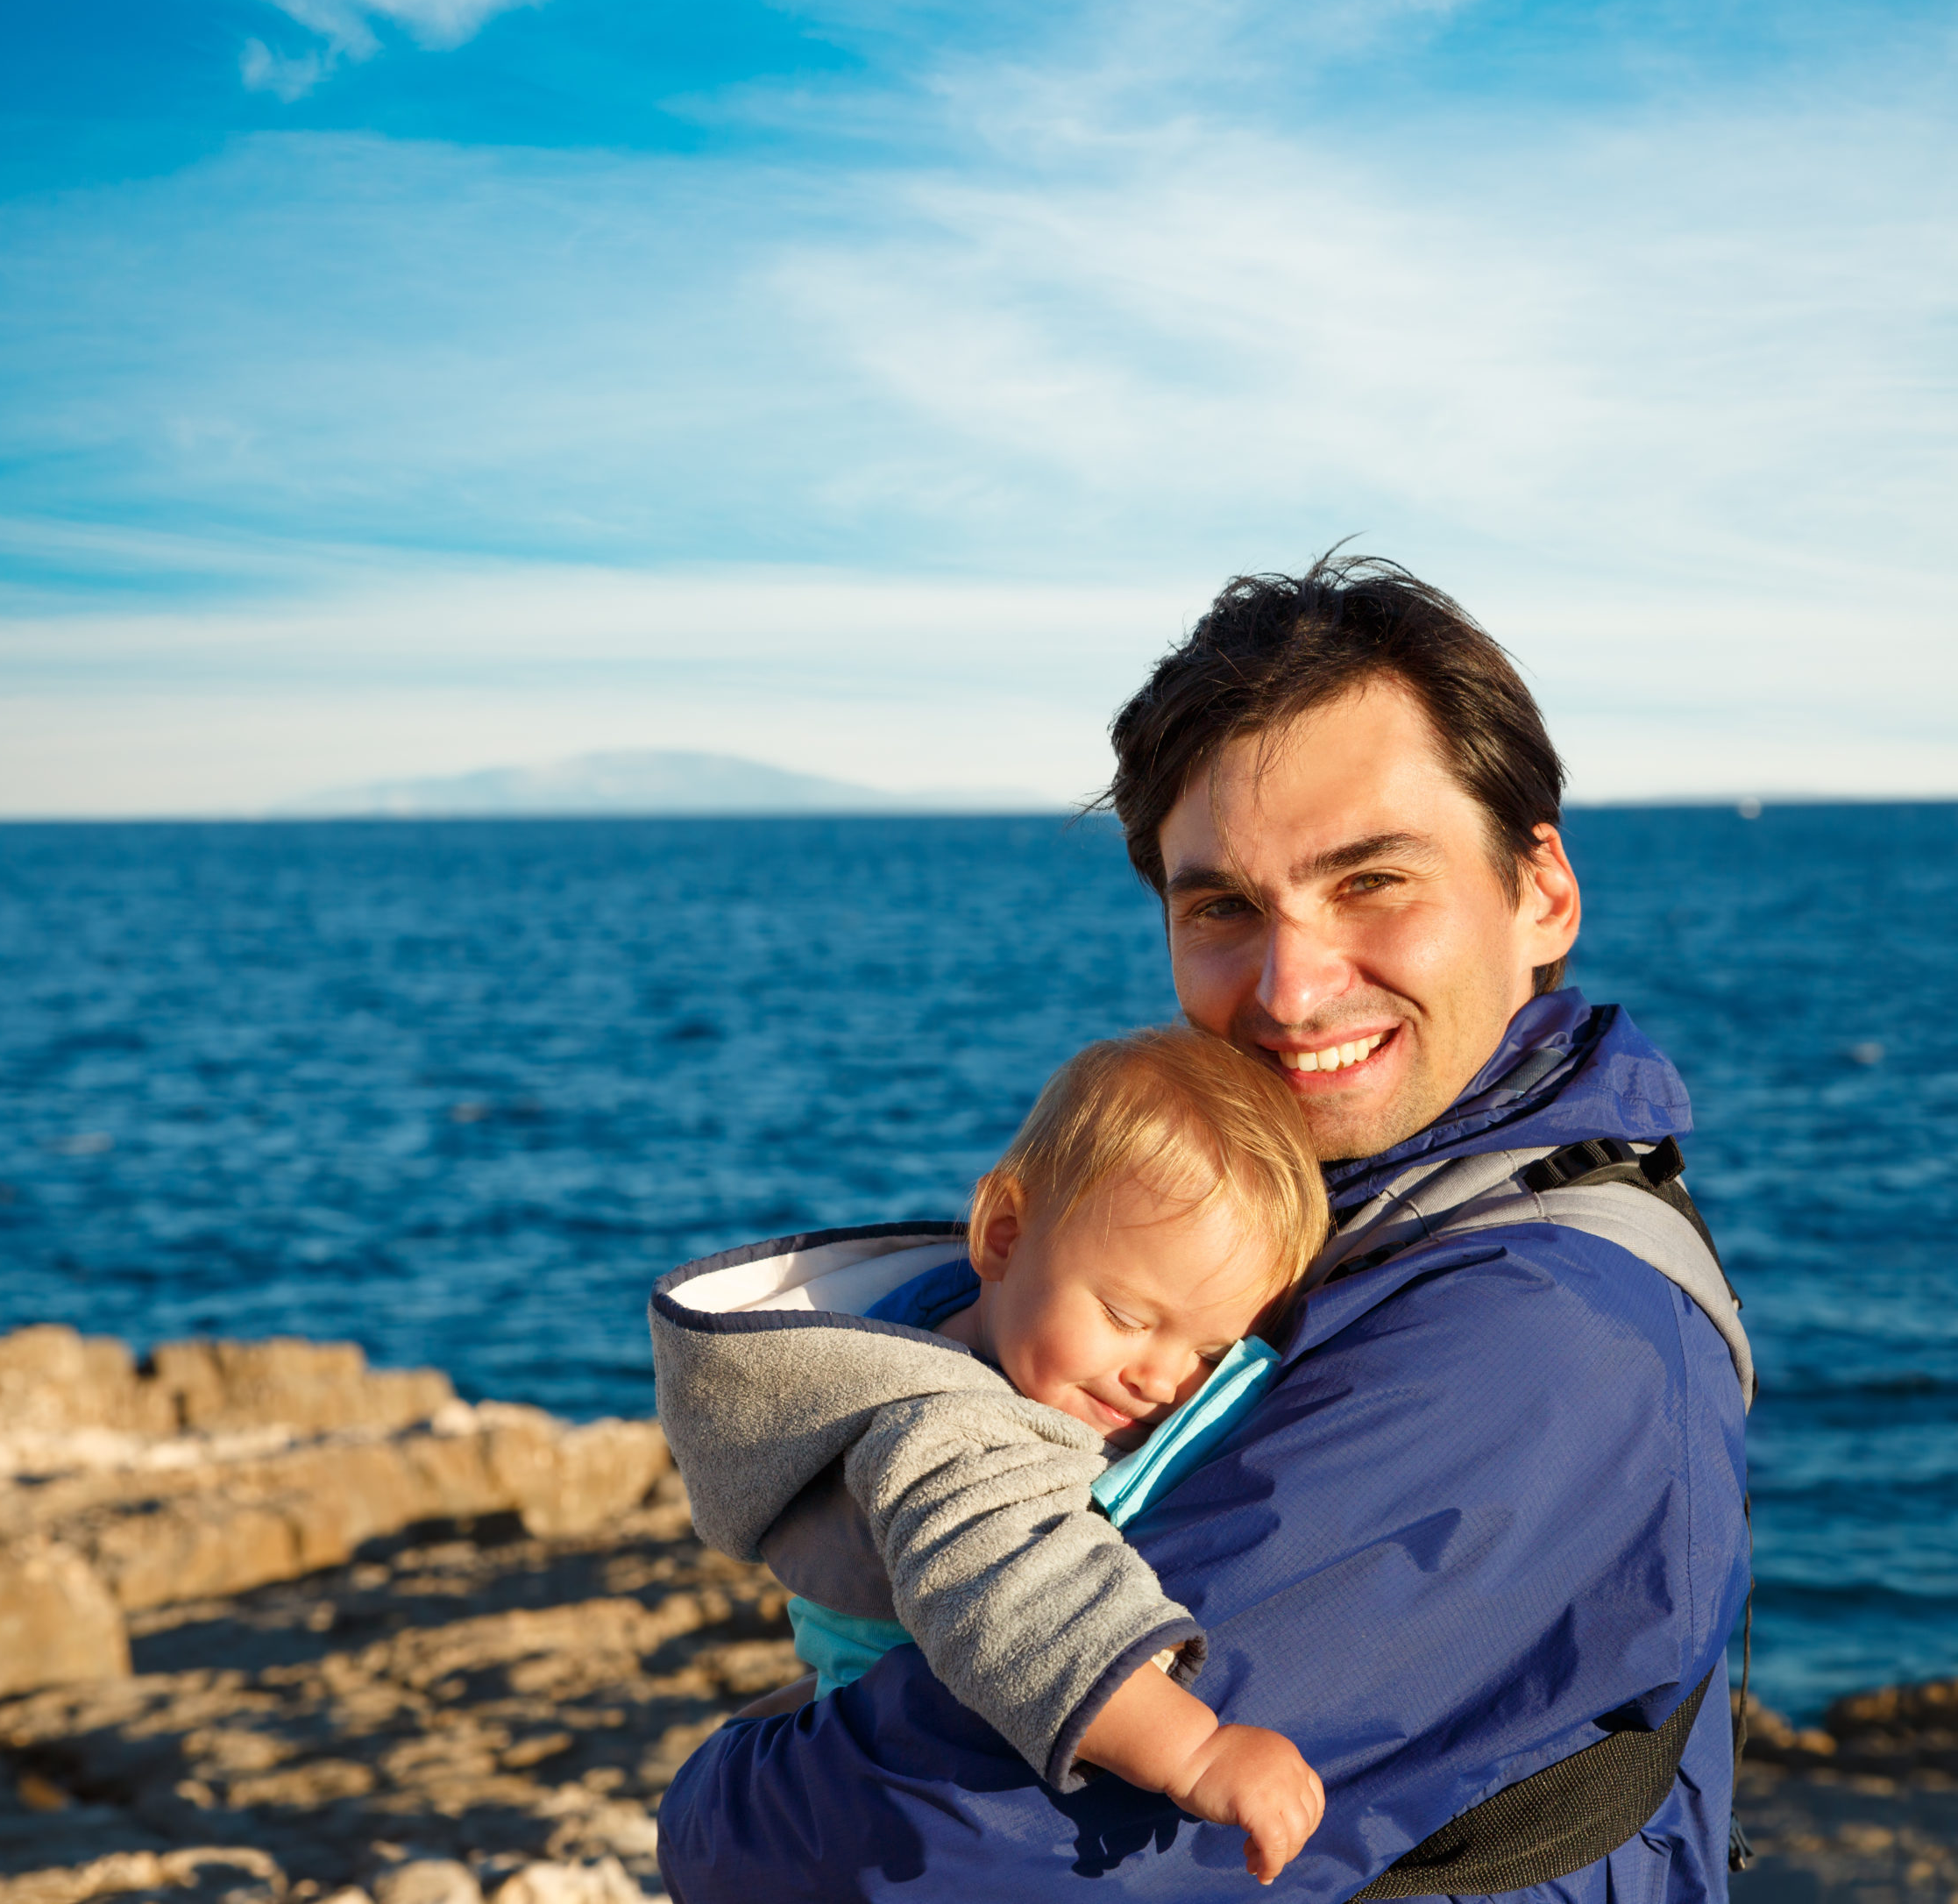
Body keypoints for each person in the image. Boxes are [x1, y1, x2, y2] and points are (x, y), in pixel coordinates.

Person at [656, 554, 1751, 1904]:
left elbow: (940, 1853)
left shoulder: (1543, 1340)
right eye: (1224, 907)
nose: (1290, 989)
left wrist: (716, 1792)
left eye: (1373, 882)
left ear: (1542, 894)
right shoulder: (1363, 1213)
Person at [650, 1027, 1330, 1879]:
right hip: (902, 1807)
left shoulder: (936, 1318)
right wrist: (1198, 1753)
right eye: (1126, 1315)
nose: (1160, 1376)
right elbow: (1024, 1600)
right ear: (1001, 1235)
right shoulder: (948, 1431)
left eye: (1208, 1355)